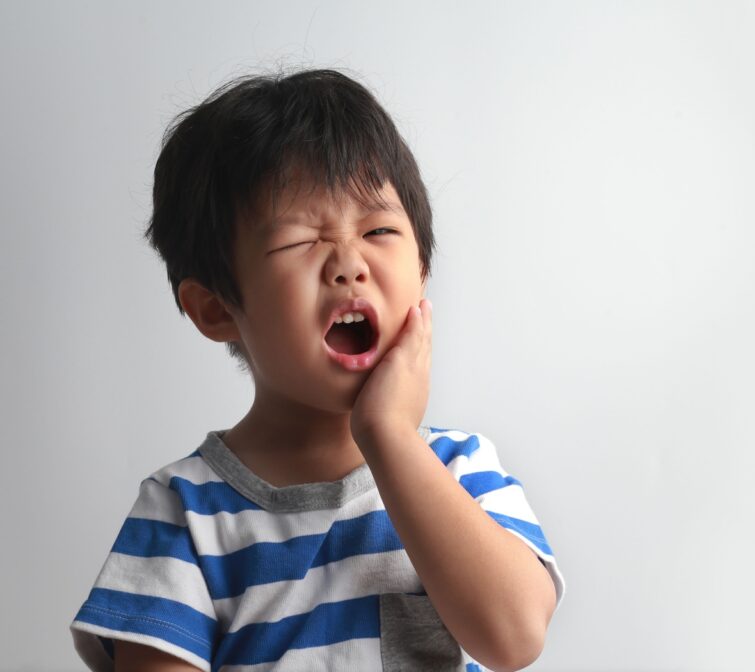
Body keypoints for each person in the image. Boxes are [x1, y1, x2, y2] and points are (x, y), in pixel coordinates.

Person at [70, 68, 564, 672]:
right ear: (217, 308)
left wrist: (387, 436)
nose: (349, 264)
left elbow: (514, 638)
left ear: (422, 272)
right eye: (300, 242)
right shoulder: (183, 514)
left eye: (379, 230)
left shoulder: (460, 472)